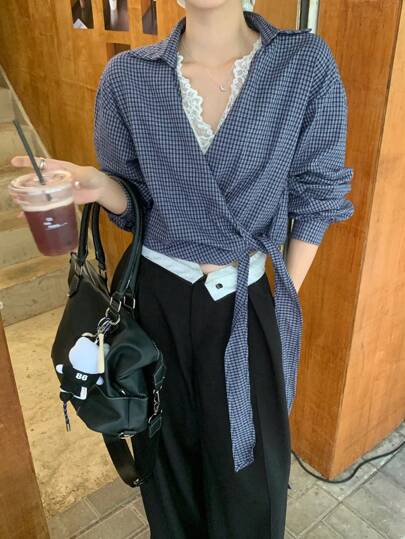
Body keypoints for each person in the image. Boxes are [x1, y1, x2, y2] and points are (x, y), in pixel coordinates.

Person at [11, 1, 355, 537]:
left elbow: (318, 195)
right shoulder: (128, 77)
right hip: (155, 303)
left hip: (245, 300)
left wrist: (274, 296)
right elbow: (136, 208)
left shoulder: (302, 64)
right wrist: (102, 186)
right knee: (166, 470)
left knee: (253, 481)